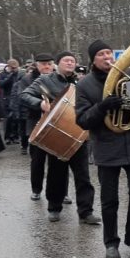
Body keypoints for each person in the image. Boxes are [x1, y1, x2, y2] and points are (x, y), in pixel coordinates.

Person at [75, 39, 130, 258]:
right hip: (107, 148)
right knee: (110, 199)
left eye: (109, 53)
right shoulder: (84, 85)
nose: (107, 57)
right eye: (101, 54)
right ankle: (111, 242)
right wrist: (102, 107)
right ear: (93, 59)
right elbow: (82, 120)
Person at [21, 51, 99, 224]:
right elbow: (24, 95)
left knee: (83, 176)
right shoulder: (46, 80)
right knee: (57, 174)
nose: (70, 63)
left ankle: (86, 212)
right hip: (57, 134)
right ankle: (54, 208)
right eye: (66, 61)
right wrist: (40, 104)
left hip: (79, 134)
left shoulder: (82, 81)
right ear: (58, 64)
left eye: (73, 61)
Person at [19, 54, 56, 199]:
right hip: (36, 122)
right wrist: (39, 104)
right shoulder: (27, 79)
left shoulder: (58, 78)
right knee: (37, 160)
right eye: (43, 64)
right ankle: (36, 189)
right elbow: (22, 97)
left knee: (59, 162)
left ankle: (62, 192)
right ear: (37, 65)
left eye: (49, 64)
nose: (46, 67)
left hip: (57, 124)